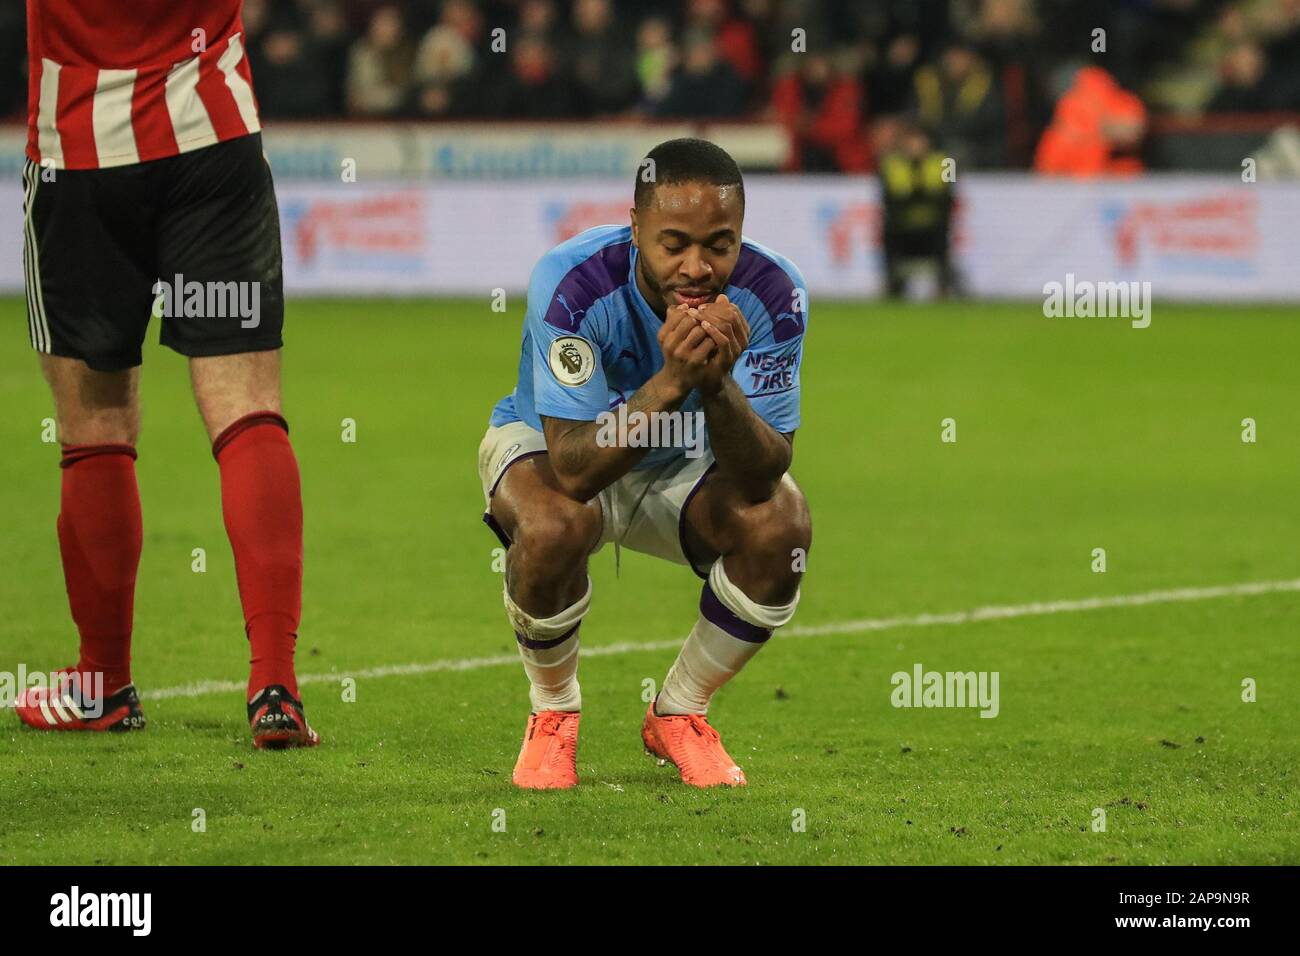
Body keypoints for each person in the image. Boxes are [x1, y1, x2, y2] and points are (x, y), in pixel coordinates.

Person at [15, 0, 318, 749]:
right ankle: (275, 683)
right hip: (211, 143)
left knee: (96, 424)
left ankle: (102, 684)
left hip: (79, 154)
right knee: (247, 410)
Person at [477, 138, 812, 790]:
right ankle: (553, 715)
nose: (697, 266)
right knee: (553, 528)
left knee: (782, 530)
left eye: (719, 244)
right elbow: (574, 472)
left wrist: (716, 387)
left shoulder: (774, 293)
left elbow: (761, 475)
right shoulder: (573, 283)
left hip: (683, 462)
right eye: (674, 243)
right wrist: (672, 380)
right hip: (555, 445)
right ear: (636, 229)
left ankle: (679, 713)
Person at [878, 119, 957, 298]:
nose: (914, 145)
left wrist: (913, 194)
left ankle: (943, 286)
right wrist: (923, 194)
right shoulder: (890, 164)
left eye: (918, 140)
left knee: (943, 231)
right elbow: (889, 200)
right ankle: (894, 284)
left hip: (933, 227)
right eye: (910, 140)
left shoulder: (946, 162)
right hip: (902, 228)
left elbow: (948, 198)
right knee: (889, 232)